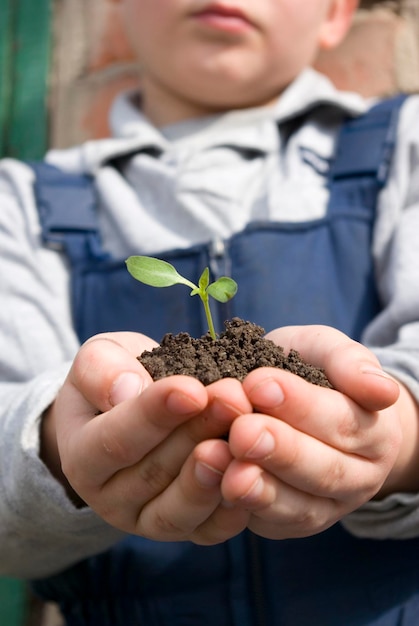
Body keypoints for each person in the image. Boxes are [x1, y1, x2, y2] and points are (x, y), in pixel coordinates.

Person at [1, 0, 419, 624]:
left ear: (335, 14)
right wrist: (56, 447)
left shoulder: (402, 150)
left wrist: (398, 440)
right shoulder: (24, 206)